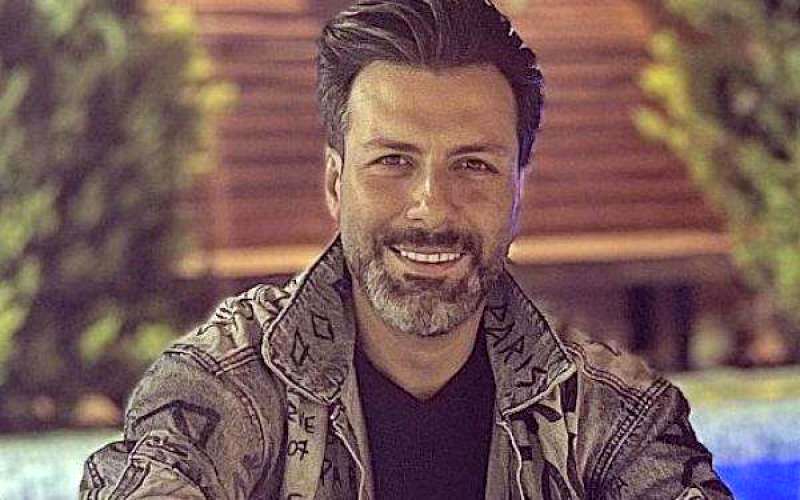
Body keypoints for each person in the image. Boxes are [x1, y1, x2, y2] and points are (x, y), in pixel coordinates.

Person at [81, 1, 733, 498]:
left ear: (517, 191)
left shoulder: (610, 411)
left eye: (473, 165)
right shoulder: (226, 384)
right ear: (335, 183)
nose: (432, 207)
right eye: (393, 160)